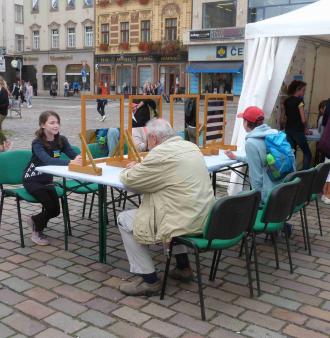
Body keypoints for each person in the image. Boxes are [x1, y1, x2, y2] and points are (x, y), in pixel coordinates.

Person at [117, 118, 214, 296]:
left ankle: (149, 280)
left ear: (153, 138)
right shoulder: (190, 146)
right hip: (206, 216)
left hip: (184, 220)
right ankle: (183, 267)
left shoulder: (160, 153)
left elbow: (130, 180)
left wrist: (130, 168)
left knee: (124, 219)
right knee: (171, 207)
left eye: (147, 139)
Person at [23, 111, 82, 245]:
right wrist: (69, 162)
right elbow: (47, 160)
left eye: (57, 122)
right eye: (52, 123)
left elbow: (72, 153)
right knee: (50, 207)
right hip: (32, 180)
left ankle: (33, 219)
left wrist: (78, 157)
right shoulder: (37, 143)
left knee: (55, 211)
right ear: (43, 125)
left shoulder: (61, 140)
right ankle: (36, 231)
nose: (56, 125)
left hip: (47, 181)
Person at [225, 106, 279, 203]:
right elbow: (259, 159)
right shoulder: (273, 135)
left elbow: (256, 177)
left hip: (268, 197)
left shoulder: (251, 142)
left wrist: (256, 201)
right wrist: (236, 157)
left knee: (233, 200)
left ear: (246, 123)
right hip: (281, 190)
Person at [284, 80, 312, 169]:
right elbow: (303, 119)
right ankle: (305, 176)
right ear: (298, 90)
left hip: (288, 131)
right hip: (298, 131)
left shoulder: (286, 101)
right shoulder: (300, 102)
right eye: (303, 90)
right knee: (307, 154)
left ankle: (291, 176)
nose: (304, 92)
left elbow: (284, 118)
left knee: (292, 154)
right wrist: (306, 129)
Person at [0, 77, 11, 151]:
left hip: (2, 113)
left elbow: (6, 103)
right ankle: (4, 143)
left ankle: (3, 144)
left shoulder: (3, 90)